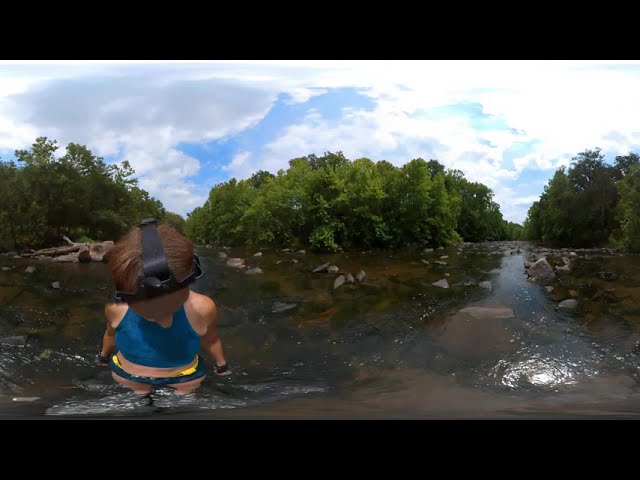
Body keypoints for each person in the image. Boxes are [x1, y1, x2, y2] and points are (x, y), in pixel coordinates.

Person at [98, 218, 229, 396]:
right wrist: (104, 356)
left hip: (184, 377)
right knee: (138, 397)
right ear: (124, 297)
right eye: (149, 315)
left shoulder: (202, 308)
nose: (165, 322)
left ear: (188, 284)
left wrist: (222, 365)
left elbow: (211, 339)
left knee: (186, 399)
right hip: (129, 375)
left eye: (170, 311)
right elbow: (110, 334)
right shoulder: (116, 309)